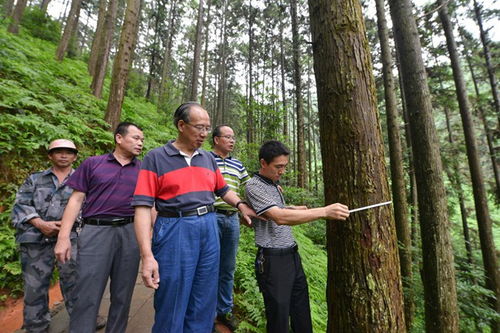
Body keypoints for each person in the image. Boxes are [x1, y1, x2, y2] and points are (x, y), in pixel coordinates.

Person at [132, 102, 258, 333]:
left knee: (204, 294)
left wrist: (241, 205)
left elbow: (222, 190)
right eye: (199, 127)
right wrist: (146, 255)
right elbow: (142, 206)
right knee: (172, 294)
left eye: (207, 128)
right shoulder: (156, 158)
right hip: (175, 227)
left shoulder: (208, 159)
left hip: (209, 226)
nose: (204, 134)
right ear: (181, 125)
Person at [245, 140, 350, 333]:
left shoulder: (274, 185)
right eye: (278, 166)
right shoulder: (254, 186)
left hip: (292, 256)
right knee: (279, 319)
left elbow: (276, 211)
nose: (282, 171)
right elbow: (279, 217)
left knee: (302, 314)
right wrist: (324, 211)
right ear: (263, 163)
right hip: (273, 261)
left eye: (285, 166)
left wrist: (291, 208)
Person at [54, 122, 144, 333]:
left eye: (142, 139)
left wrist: (148, 239)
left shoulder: (143, 169)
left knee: (123, 293)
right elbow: (76, 201)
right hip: (96, 231)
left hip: (130, 232)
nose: (140, 143)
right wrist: (63, 237)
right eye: (136, 138)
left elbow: (150, 206)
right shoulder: (93, 164)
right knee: (87, 291)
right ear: (119, 138)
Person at [12, 139, 86, 333]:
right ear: (50, 155)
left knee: (75, 282)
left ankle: (82, 321)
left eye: (68, 152)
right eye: (58, 151)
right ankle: (36, 326)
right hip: (36, 239)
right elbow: (21, 204)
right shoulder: (35, 179)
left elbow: (89, 206)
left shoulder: (83, 179)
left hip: (71, 239)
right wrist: (40, 223)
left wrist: (68, 224)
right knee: (34, 286)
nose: (63, 155)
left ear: (75, 156)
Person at [210, 125, 249, 331]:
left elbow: (249, 186)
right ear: (216, 139)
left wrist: (270, 184)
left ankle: (223, 310)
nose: (232, 141)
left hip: (232, 218)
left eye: (234, 137)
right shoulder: (205, 159)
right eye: (227, 137)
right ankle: (205, 312)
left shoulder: (237, 164)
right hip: (210, 216)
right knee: (208, 266)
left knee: (227, 266)